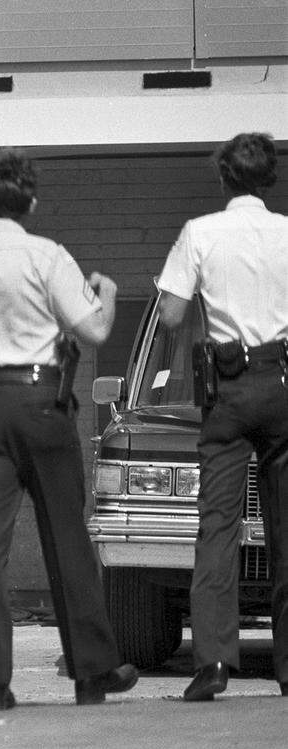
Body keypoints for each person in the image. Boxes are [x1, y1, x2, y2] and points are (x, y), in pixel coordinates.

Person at [0, 149, 137, 710]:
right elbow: (96, 332)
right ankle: (92, 671)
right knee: (66, 536)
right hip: (43, 402)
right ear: (30, 201)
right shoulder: (47, 256)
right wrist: (105, 292)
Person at [153, 132, 288, 702]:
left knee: (218, 527)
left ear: (225, 177)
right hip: (281, 382)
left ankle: (212, 663)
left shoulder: (200, 233)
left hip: (228, 389)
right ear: (269, 177)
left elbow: (171, 314)